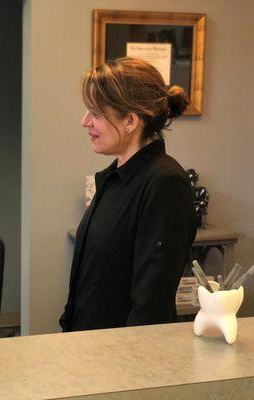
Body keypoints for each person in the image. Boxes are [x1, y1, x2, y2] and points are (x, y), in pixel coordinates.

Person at [60, 57, 197, 332]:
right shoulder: (114, 177)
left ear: (130, 121)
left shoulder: (164, 184)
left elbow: (151, 304)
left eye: (96, 113)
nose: (84, 121)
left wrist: (128, 365)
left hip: (125, 360)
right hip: (89, 346)